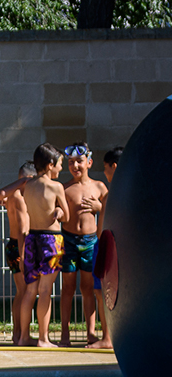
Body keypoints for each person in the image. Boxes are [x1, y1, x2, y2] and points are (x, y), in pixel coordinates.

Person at [17, 143, 68, 348]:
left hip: (32, 239)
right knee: (45, 290)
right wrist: (60, 212)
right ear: (50, 165)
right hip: (51, 239)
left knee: (30, 291)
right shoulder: (56, 186)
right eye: (60, 164)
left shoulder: (28, 186)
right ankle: (43, 338)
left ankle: (23, 337)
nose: (61, 169)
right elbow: (67, 215)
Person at [59, 143, 107, 347]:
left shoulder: (99, 187)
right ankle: (64, 333)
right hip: (68, 240)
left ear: (89, 162)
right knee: (67, 288)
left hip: (90, 242)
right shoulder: (64, 187)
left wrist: (100, 206)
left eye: (79, 161)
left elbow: (110, 209)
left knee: (88, 288)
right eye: (70, 163)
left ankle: (90, 332)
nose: (74, 166)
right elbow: (57, 208)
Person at [85, 146, 122, 349]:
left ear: (113, 166)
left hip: (107, 247)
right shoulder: (129, 189)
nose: (105, 172)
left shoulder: (111, 194)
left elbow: (102, 230)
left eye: (106, 167)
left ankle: (107, 338)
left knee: (103, 293)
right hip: (123, 249)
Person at [5, 162, 37, 345]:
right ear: (28, 179)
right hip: (20, 246)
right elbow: (24, 230)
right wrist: (25, 256)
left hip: (15, 246)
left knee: (21, 292)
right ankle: (20, 334)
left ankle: (17, 333)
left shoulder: (12, 196)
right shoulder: (20, 197)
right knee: (24, 292)